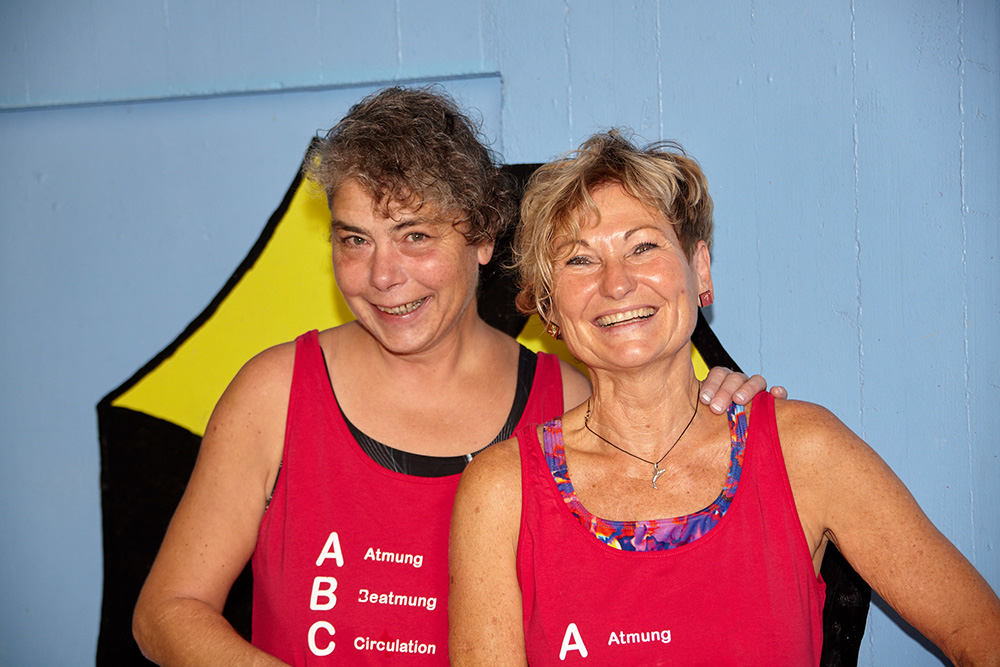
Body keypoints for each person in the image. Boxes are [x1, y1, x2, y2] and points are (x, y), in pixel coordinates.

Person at [131, 88, 774, 666]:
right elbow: (166, 611)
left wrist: (717, 408)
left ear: (484, 238)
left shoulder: (566, 399)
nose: (383, 276)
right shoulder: (277, 393)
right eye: (354, 240)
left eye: (414, 236)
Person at [448, 130, 1000, 666]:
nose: (616, 284)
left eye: (643, 246)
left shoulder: (804, 452)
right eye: (579, 259)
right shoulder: (503, 492)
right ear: (548, 307)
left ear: (701, 270)